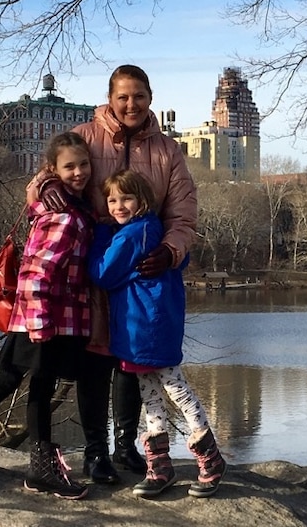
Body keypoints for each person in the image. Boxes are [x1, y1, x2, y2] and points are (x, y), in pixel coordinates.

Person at [29, 64, 197, 484]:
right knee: (94, 362)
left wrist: (170, 251)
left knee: (131, 360)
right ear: (110, 97)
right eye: (123, 96)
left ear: (150, 97)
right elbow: (45, 178)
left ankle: (127, 448)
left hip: (141, 276)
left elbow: (184, 214)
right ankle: (95, 452)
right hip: (90, 267)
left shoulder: (167, 151)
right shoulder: (85, 135)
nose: (131, 104)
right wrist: (46, 187)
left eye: (138, 96)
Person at [0, 132, 95, 500]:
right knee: (7, 379)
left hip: (54, 317)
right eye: (69, 166)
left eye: (84, 164)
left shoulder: (66, 206)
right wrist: (40, 323)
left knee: (38, 385)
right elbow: (35, 273)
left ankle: (41, 469)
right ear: (53, 169)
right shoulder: (63, 215)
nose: (79, 172)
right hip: (42, 316)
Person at [88, 170, 226, 498]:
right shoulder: (152, 229)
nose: (118, 206)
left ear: (142, 200)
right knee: (150, 391)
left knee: (173, 386)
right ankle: (160, 464)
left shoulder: (133, 234)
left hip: (146, 325)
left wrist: (97, 238)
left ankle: (210, 456)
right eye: (112, 200)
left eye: (126, 198)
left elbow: (102, 273)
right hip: (142, 325)